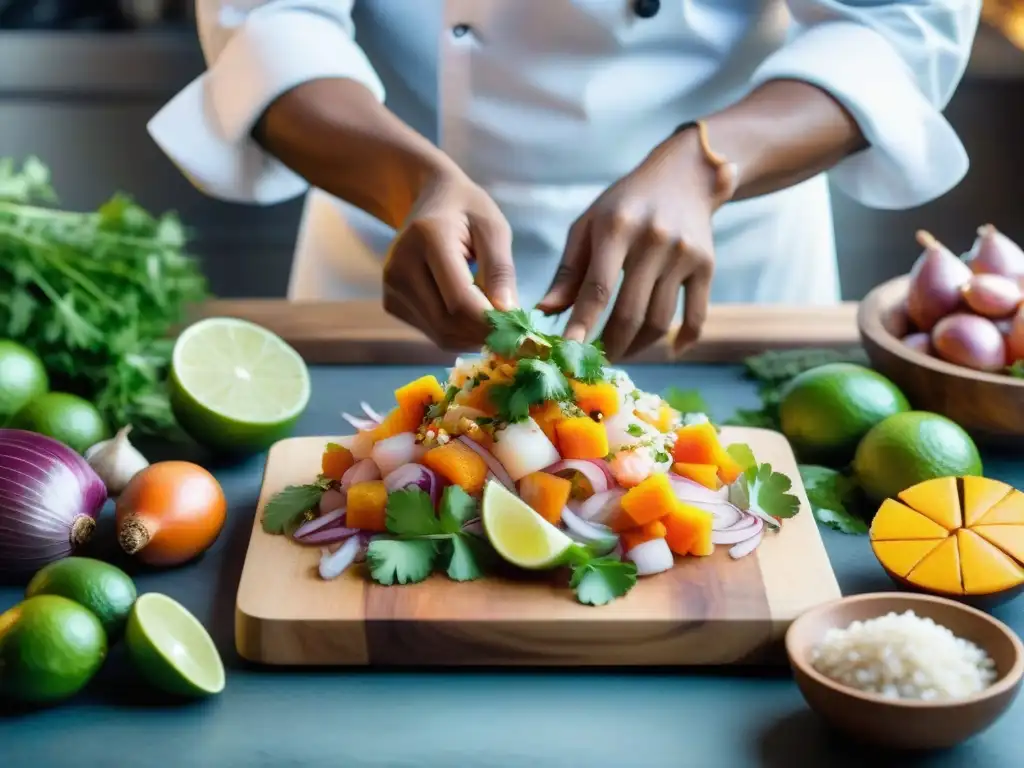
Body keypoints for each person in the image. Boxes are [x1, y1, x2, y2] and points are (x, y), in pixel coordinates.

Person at [149, 0, 981, 359]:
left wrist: (707, 165)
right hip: (387, 231)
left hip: (733, 256)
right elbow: (269, 22)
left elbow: (896, 24)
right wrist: (407, 185)